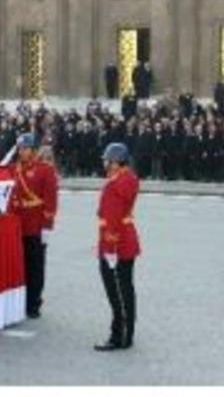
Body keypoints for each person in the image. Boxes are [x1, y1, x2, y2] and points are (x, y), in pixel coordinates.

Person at [94, 142, 140, 351]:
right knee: (126, 290)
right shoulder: (128, 178)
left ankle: (119, 336)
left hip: (116, 244)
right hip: (126, 239)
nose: (105, 163)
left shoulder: (114, 185)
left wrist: (110, 250)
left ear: (115, 162)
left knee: (118, 293)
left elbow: (111, 219)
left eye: (107, 160)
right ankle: (128, 332)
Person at [9, 133, 59, 319]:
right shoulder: (14, 169)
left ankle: (34, 303)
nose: (22, 152)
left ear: (34, 150)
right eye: (20, 148)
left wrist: (47, 226)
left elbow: (51, 200)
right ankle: (20, 302)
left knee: (35, 266)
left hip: (36, 224)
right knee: (19, 266)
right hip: (17, 224)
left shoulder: (45, 170)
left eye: (26, 148)